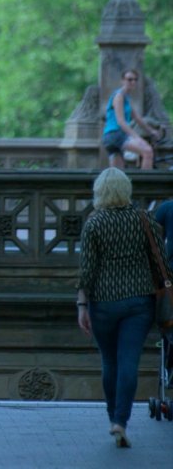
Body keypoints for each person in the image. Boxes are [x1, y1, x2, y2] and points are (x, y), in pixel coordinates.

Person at [76, 167, 171, 448]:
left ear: (99, 191)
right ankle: (121, 420)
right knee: (129, 361)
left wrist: (82, 305)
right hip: (139, 302)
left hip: (103, 301)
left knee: (110, 362)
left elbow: (87, 271)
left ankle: (111, 418)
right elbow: (161, 262)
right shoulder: (144, 219)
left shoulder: (94, 224)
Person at [102, 69, 162, 170]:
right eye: (129, 79)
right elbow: (121, 122)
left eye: (135, 80)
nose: (133, 82)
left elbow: (137, 118)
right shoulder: (119, 96)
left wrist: (151, 131)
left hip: (113, 137)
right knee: (147, 151)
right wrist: (137, 138)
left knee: (118, 173)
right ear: (123, 81)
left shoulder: (126, 98)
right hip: (115, 135)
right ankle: (145, 184)